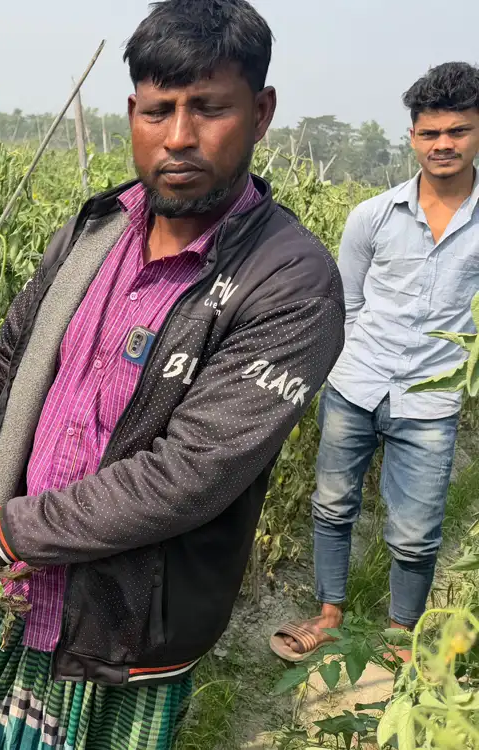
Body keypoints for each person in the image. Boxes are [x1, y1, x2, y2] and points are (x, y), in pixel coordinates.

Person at [0, 1, 345, 747]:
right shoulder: (98, 232)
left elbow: (182, 478)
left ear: (260, 113)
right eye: (159, 111)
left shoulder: (288, 283)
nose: (179, 136)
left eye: (208, 109)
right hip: (29, 591)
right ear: (132, 113)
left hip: (124, 632)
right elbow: (12, 367)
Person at [271, 62, 479, 663]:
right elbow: (348, 301)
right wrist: (358, 359)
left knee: (416, 532)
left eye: (458, 131)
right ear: (412, 137)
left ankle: (399, 636)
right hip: (355, 386)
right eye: (430, 133)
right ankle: (329, 614)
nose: (443, 145)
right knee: (332, 505)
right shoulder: (372, 216)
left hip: (432, 400)